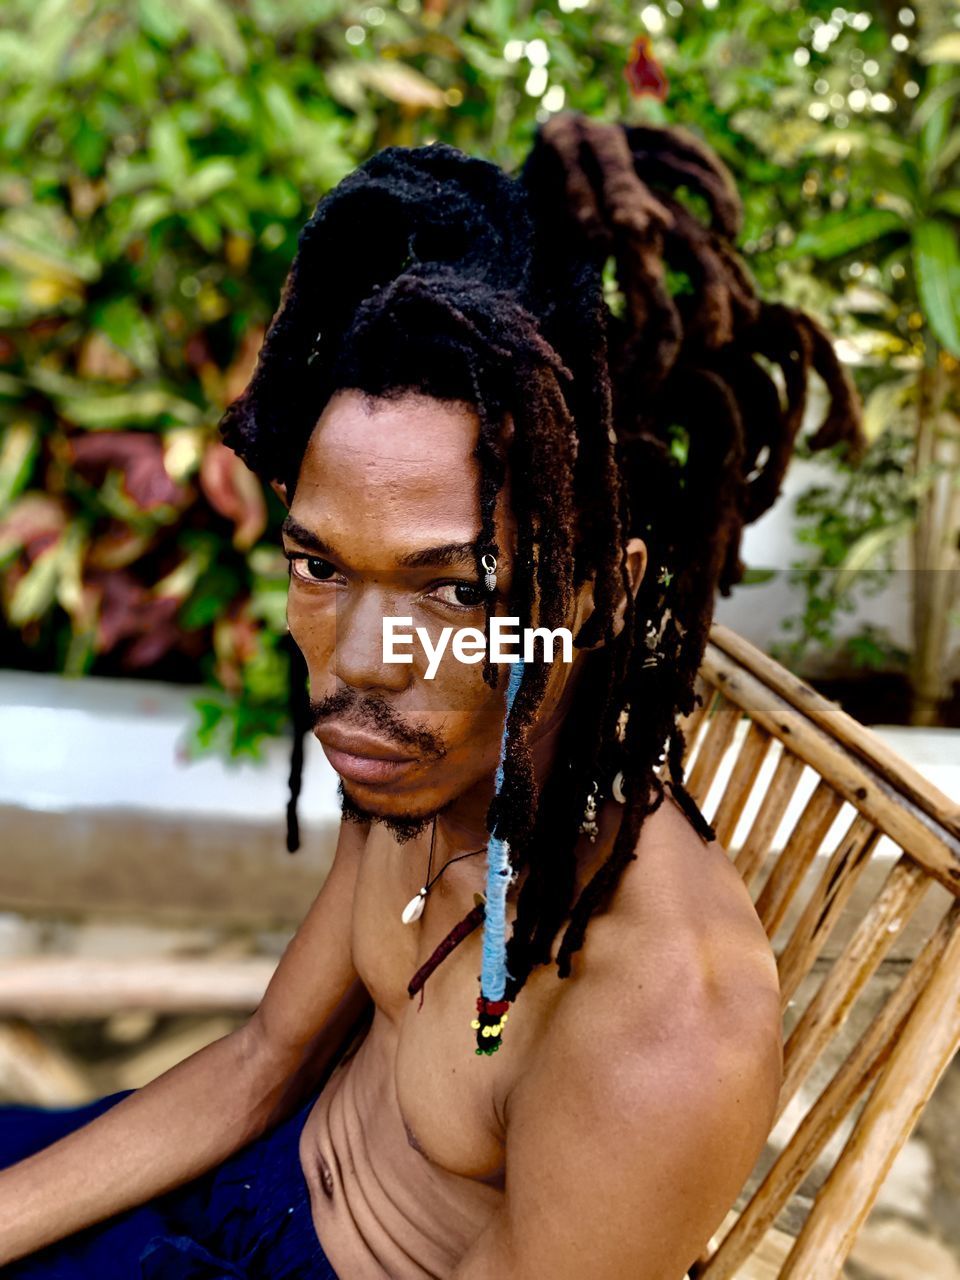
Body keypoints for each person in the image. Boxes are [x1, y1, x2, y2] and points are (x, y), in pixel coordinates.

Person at [0, 111, 863, 1277]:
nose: (362, 660)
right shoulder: (428, 755)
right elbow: (260, 1060)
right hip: (225, 1181)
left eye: (452, 587)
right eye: (319, 565)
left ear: (600, 597)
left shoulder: (659, 1021)